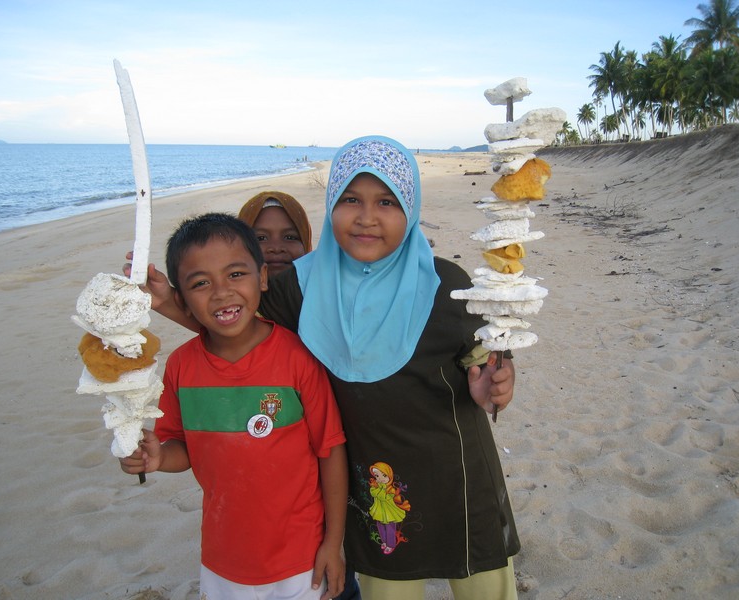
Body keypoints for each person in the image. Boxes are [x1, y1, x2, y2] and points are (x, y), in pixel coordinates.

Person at [133, 136, 519, 599]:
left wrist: (496, 388)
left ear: (411, 208)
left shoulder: (446, 284)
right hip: (370, 483)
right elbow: (237, 329)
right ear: (331, 203)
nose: (366, 217)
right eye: (350, 199)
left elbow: (489, 361)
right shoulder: (299, 287)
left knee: (485, 586)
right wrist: (168, 303)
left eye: (387, 202)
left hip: (457, 473)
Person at [119, 213, 348, 600]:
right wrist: (157, 458)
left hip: (301, 557)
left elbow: (331, 450)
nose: (222, 292)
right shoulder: (181, 366)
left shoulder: (297, 358)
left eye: (236, 274)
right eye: (201, 283)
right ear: (181, 299)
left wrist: (333, 543)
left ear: (262, 277)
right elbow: (182, 448)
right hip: (223, 558)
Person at [238, 190, 313, 277]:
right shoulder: (226, 286)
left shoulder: (323, 284)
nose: (276, 248)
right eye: (261, 238)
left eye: (289, 237)